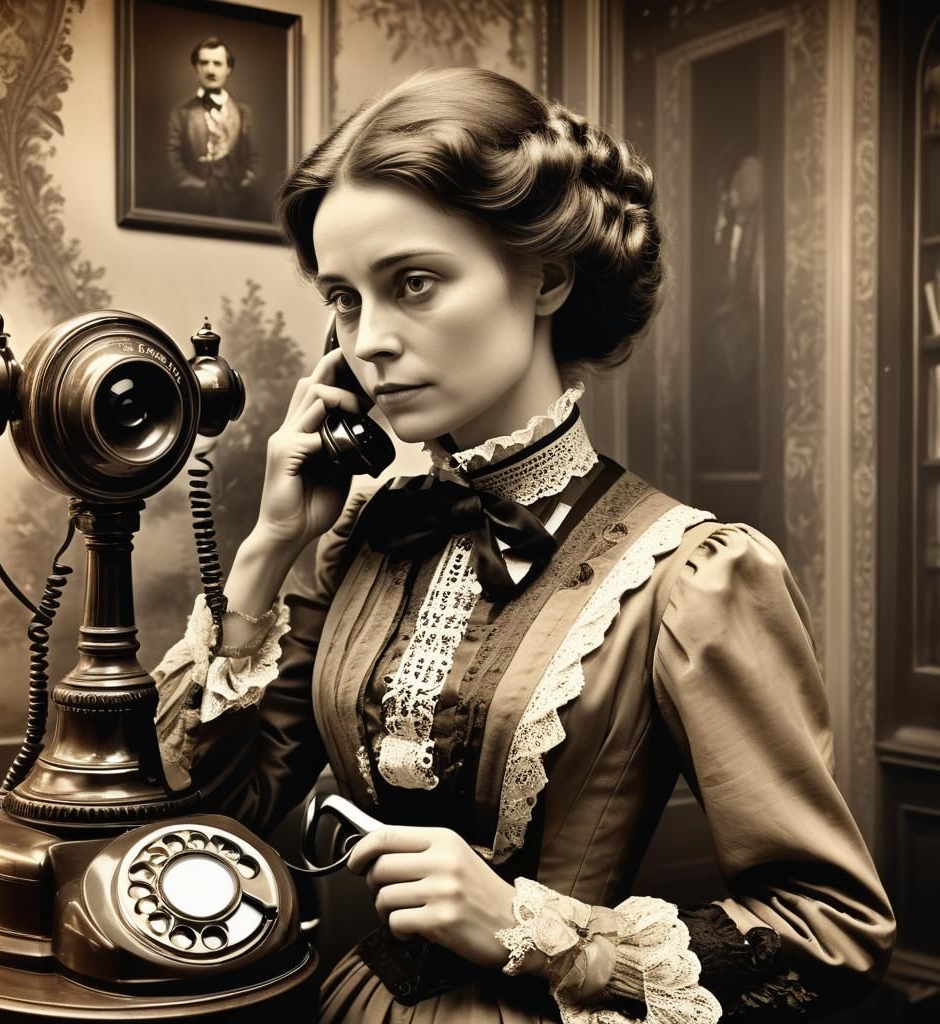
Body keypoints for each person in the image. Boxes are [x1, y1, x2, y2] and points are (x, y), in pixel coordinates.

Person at [152, 66, 894, 1023]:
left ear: (546, 276)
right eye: (345, 299)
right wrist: (269, 546)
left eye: (414, 283)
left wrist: (530, 928)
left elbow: (834, 930)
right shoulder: (361, 537)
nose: (369, 341)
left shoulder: (695, 576)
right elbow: (212, 816)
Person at [166, 35, 259, 219]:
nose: (210, 70)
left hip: (236, 201)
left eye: (217, 63)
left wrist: (247, 181)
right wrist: (192, 185)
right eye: (204, 63)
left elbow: (256, 155)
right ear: (196, 68)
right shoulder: (181, 112)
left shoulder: (243, 112)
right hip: (192, 202)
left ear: (228, 69)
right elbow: (172, 156)